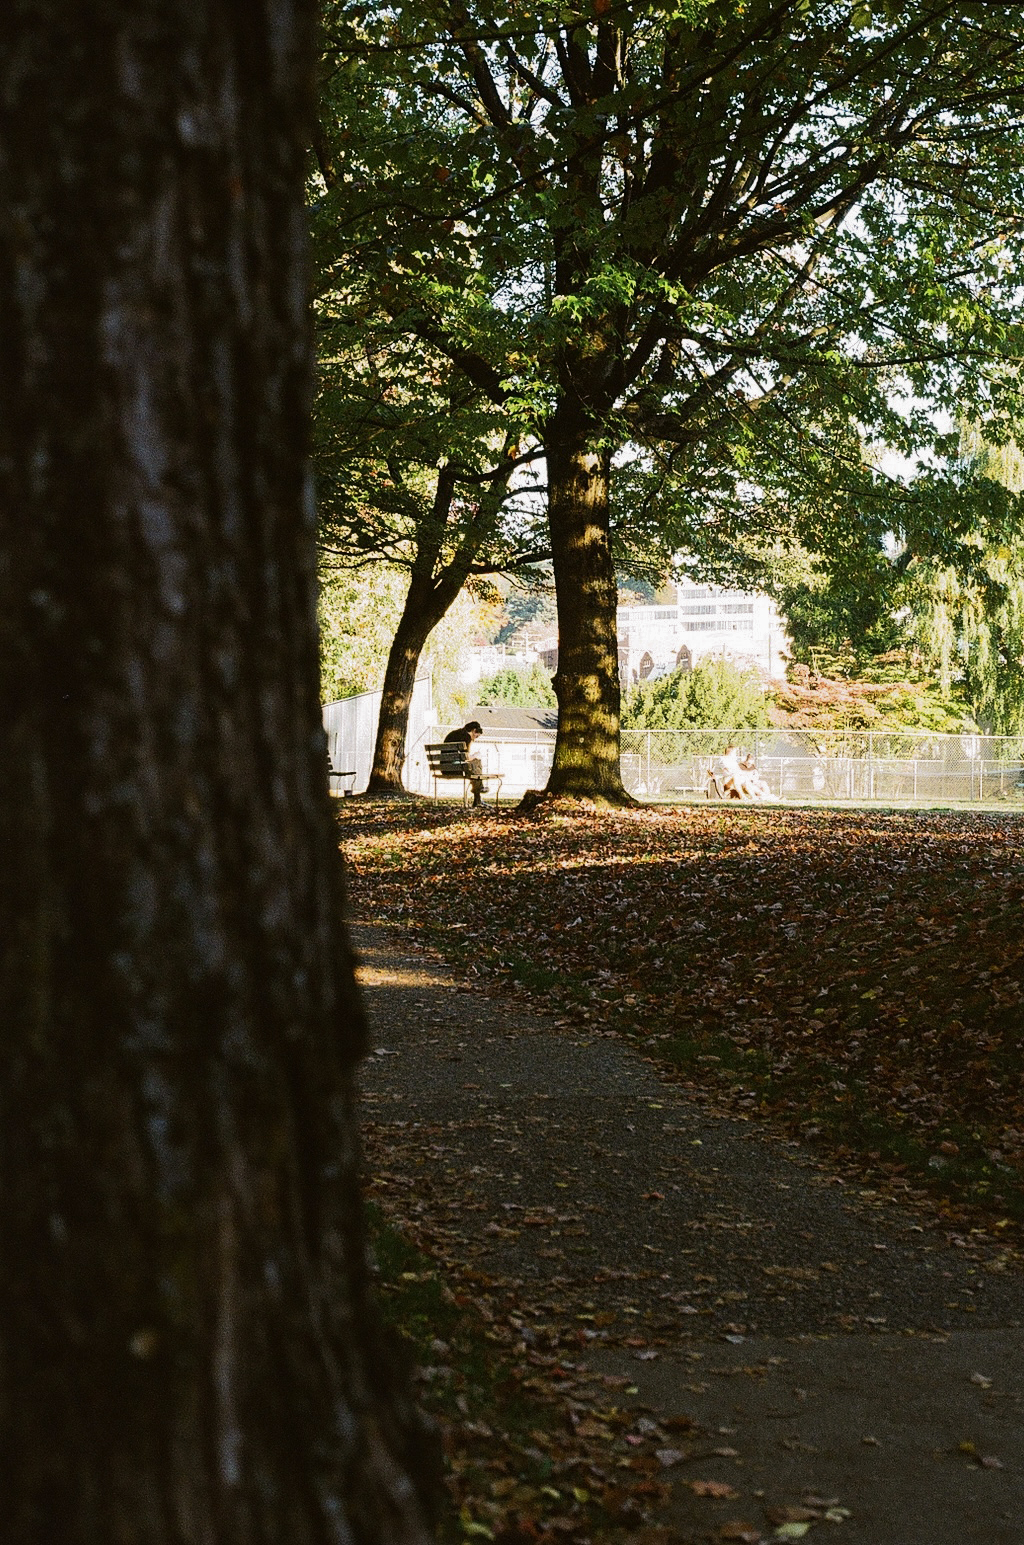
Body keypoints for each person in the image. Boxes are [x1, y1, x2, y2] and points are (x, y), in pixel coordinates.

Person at [444, 720, 487, 806]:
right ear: (474, 731)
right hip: (456, 768)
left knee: (474, 768)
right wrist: (475, 755)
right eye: (476, 736)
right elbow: (465, 758)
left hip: (445, 768)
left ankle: (478, 796)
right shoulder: (466, 737)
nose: (474, 739)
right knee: (476, 763)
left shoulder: (454, 733)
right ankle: (478, 793)